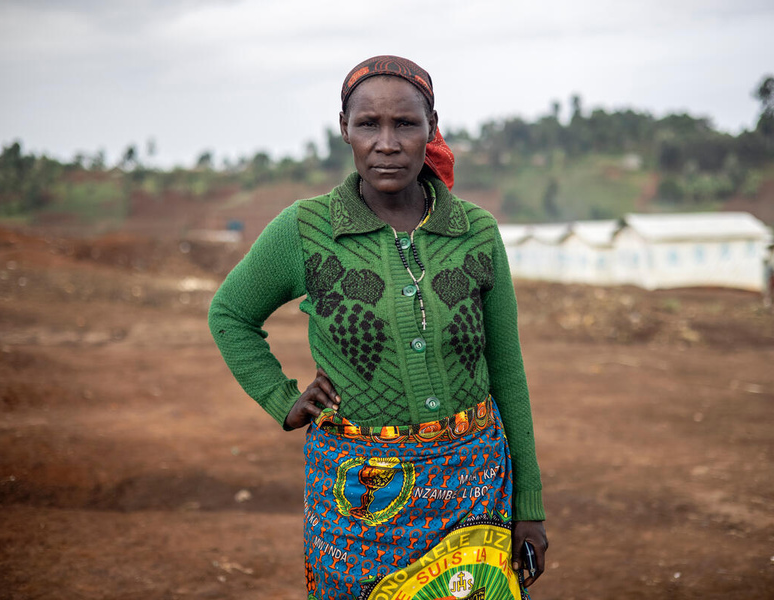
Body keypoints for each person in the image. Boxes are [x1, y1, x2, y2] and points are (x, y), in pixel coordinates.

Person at [209, 55, 547, 600]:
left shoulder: (476, 232)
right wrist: (281, 399)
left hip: (474, 490)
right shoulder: (306, 229)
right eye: (368, 124)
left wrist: (527, 507)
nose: (386, 142)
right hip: (358, 501)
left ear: (431, 128)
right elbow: (230, 314)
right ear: (345, 129)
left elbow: (507, 371)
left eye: (405, 124)